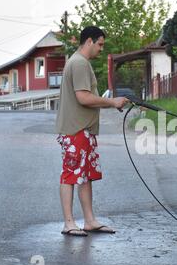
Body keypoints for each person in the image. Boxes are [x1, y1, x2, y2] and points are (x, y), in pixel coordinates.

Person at [55, 26, 129, 237]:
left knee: (85, 175)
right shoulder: (78, 63)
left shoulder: (81, 63)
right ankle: (69, 223)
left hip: (83, 129)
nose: (101, 49)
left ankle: (89, 221)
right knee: (70, 174)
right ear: (89, 41)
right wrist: (112, 101)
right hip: (75, 129)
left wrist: (111, 103)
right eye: (100, 44)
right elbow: (83, 98)